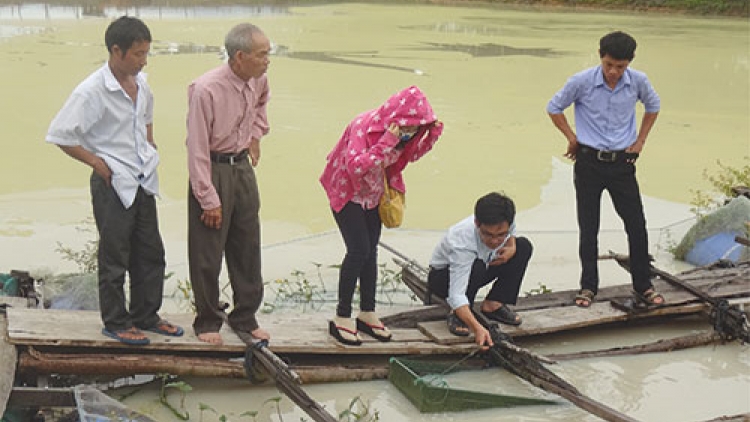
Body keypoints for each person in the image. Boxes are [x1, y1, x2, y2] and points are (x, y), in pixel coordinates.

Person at [46, 16, 182, 346]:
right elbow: (61, 134)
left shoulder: (142, 83)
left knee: (151, 252)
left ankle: (146, 316)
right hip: (112, 182)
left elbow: (146, 116)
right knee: (114, 256)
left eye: (146, 53)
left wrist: (149, 143)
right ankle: (117, 322)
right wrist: (96, 162)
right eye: (137, 54)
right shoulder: (91, 91)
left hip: (142, 178)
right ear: (116, 51)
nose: (143, 60)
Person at [546, 31, 665, 309]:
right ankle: (588, 286)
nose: (613, 72)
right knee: (589, 226)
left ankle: (643, 285)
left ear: (629, 63)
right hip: (588, 162)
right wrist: (571, 138)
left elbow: (654, 106)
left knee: (636, 224)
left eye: (620, 66)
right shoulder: (581, 81)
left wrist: (641, 141)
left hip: (623, 162)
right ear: (601, 57)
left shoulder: (638, 81)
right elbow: (554, 108)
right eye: (609, 64)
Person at [320, 85, 443, 346]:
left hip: (374, 195)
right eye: (408, 128)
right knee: (358, 250)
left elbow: (407, 157)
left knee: (371, 252)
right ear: (395, 117)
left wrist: (428, 136)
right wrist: (386, 142)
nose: (408, 134)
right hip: (349, 192)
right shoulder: (364, 127)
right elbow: (355, 167)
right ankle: (342, 316)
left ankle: (367, 313)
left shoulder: (406, 135)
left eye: (415, 129)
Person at [186, 23, 271, 345]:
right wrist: (207, 197)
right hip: (214, 168)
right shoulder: (205, 89)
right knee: (208, 250)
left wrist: (255, 135)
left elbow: (262, 103)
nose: (267, 61)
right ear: (240, 56)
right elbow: (196, 148)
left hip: (242, 168)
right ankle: (207, 319)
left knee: (247, 244)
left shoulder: (258, 79)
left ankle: (245, 317)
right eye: (262, 54)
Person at [428, 192, 532, 347]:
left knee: (523, 246)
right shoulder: (462, 241)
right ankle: (457, 314)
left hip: (484, 265)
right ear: (477, 223)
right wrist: (478, 328)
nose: (495, 241)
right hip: (444, 278)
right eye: (488, 235)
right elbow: (456, 295)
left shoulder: (507, 222)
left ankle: (493, 304)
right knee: (476, 267)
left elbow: (512, 232)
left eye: (501, 235)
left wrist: (510, 245)